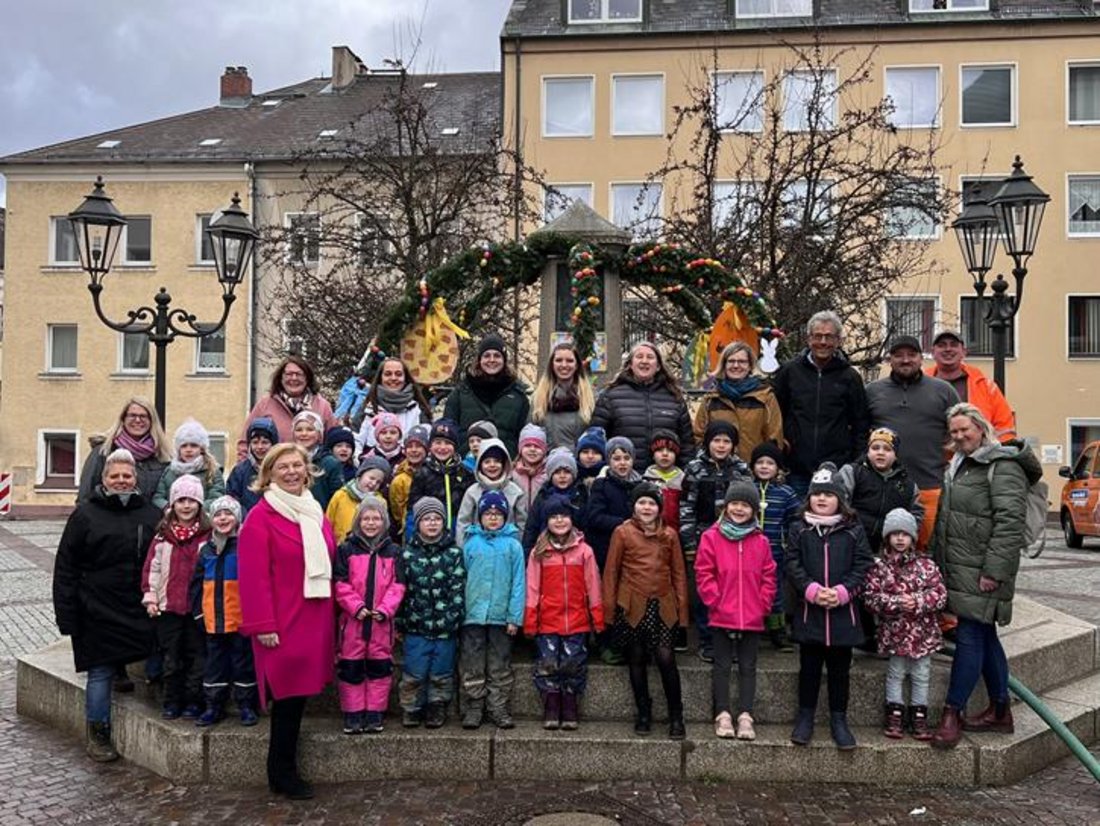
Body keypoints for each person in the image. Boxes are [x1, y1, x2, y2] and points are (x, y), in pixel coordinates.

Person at [930, 403, 1041, 749]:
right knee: (985, 634)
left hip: (984, 572)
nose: (960, 436)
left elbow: (1009, 523)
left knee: (970, 636)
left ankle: (953, 712)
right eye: (955, 431)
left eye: (966, 429)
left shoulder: (1002, 466)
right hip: (963, 567)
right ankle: (1000, 709)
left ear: (981, 428)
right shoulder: (960, 464)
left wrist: (994, 571)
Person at [239, 443, 337, 800]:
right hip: (281, 621)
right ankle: (281, 773)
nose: (292, 472)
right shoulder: (260, 517)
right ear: (269, 474)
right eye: (283, 467)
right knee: (286, 699)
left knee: (298, 699)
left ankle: (283, 769)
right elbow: (252, 577)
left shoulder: (313, 510)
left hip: (312, 616)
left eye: (297, 465)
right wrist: (263, 624)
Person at [53, 448, 162, 762]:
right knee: (100, 674)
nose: (122, 480)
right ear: (104, 479)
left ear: (135, 478)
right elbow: (66, 567)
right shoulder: (85, 515)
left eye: (127, 475)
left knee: (158, 656)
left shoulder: (150, 514)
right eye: (115, 475)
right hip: (96, 609)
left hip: (138, 606)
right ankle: (98, 733)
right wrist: (67, 614)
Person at [786, 462, 873, 750]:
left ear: (840, 499)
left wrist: (843, 591)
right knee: (808, 668)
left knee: (840, 671)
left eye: (828, 495)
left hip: (842, 615)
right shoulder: (800, 529)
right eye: (816, 494)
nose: (822, 499)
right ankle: (805, 716)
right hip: (811, 613)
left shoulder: (852, 530)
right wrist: (810, 589)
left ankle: (839, 719)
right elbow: (793, 564)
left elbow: (863, 565)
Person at [603, 482, 689, 740]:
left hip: (663, 603)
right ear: (634, 506)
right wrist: (609, 611)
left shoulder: (670, 535)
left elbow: (679, 574)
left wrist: (682, 614)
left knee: (665, 658)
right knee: (637, 659)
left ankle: (676, 714)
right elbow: (611, 571)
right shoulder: (622, 532)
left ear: (659, 508)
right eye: (642, 502)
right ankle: (643, 711)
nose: (647, 507)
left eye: (652, 503)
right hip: (632, 603)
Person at [695, 479, 777, 741]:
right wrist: (715, 600)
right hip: (722, 612)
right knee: (721, 665)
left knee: (748, 666)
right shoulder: (711, 537)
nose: (739, 509)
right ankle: (722, 712)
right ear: (726, 506)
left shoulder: (760, 541)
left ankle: (745, 714)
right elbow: (703, 572)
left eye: (745, 505)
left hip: (752, 615)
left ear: (754, 510)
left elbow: (769, 575)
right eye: (735, 504)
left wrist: (763, 604)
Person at [866, 335, 960, 549]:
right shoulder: (872, 392)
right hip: (884, 487)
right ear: (890, 360)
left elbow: (959, 433)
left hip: (930, 485)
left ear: (921, 358)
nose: (905, 360)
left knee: (930, 550)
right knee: (885, 551)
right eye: (899, 355)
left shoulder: (944, 391)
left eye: (911, 355)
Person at [863, 508, 947, 741]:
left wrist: (918, 601)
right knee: (896, 672)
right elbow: (871, 598)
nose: (900, 539)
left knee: (921, 673)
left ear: (913, 537)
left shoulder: (926, 566)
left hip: (922, 633)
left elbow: (939, 594)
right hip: (895, 633)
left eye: (905, 534)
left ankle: (919, 713)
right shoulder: (879, 567)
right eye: (895, 534)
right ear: (887, 537)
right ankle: (895, 712)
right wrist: (898, 603)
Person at [524, 493, 605, 730]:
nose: (559, 521)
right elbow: (532, 586)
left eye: (564, 516)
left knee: (573, 663)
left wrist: (596, 616)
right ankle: (551, 703)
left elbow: (593, 585)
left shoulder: (584, 551)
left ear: (572, 519)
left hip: (577, 619)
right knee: (547, 663)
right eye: (554, 517)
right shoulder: (539, 552)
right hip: (547, 619)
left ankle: (569, 703)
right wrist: (530, 618)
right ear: (546, 521)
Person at [773, 311, 869, 497]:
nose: (823, 342)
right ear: (809, 339)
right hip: (795, 468)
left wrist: (855, 463)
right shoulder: (789, 372)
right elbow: (776, 414)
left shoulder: (849, 376)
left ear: (838, 341)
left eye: (829, 337)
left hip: (836, 470)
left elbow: (860, 423)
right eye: (818, 336)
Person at [333, 496, 405, 735]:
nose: (371, 523)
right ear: (358, 521)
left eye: (376, 518)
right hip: (353, 622)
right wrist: (355, 606)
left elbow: (398, 585)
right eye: (366, 518)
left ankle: (374, 712)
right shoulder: (346, 549)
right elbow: (340, 583)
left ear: (384, 522)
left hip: (381, 623)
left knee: (379, 668)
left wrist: (385, 609)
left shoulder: (393, 551)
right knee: (351, 668)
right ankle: (353, 713)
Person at [679, 421, 750, 662]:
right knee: (705, 591)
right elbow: (686, 505)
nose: (721, 446)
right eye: (716, 440)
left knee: (734, 589)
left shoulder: (741, 469)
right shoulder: (694, 468)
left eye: (726, 441)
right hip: (703, 537)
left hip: (735, 538)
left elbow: (748, 507)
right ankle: (708, 640)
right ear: (708, 442)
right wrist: (689, 541)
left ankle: (732, 639)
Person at [142, 474, 211, 719]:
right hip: (169, 607)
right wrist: (151, 597)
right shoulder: (162, 536)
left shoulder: (207, 536)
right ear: (173, 504)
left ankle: (194, 701)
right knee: (171, 659)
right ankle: (172, 700)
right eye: (180, 500)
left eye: (191, 500)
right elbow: (153, 569)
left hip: (197, 609)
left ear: (200, 505)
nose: (186, 505)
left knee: (197, 658)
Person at [459, 491, 526, 729]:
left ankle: (498, 706)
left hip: (501, 616)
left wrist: (514, 617)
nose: (493, 518)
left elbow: (519, 583)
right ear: (480, 517)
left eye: (498, 514)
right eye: (488, 514)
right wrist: (461, 611)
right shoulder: (470, 542)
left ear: (506, 517)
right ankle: (474, 706)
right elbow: (462, 578)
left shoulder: (513, 545)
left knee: (500, 664)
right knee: (472, 662)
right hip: (473, 615)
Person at [398, 497, 466, 730]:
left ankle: (437, 707)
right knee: (414, 670)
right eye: (426, 519)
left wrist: (453, 616)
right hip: (415, 624)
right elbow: (401, 590)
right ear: (417, 523)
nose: (432, 524)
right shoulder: (407, 554)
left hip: (445, 626)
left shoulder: (454, 553)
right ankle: (411, 707)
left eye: (437, 519)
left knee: (441, 670)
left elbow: (458, 586)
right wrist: (400, 620)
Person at [190, 496, 259, 727]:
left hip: (239, 618)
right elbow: (196, 585)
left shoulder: (244, 546)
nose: (223, 518)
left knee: (243, 663)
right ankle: (213, 706)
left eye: (228, 514)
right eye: (218, 514)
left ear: (238, 518)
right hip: (212, 619)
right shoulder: (206, 550)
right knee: (214, 665)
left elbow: (253, 582)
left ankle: (246, 705)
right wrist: (198, 613)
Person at [590, 342, 695, 472]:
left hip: (665, 480)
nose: (644, 361)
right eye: (639, 356)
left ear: (658, 366)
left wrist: (686, 476)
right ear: (630, 365)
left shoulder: (674, 398)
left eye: (650, 357)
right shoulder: (610, 396)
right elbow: (596, 439)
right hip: (623, 477)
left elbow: (687, 445)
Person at [693, 341, 784, 464]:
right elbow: (699, 435)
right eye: (731, 361)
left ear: (750, 365)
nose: (736, 365)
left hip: (754, 472)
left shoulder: (765, 397)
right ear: (724, 365)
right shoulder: (712, 398)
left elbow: (774, 437)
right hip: (717, 473)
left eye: (742, 362)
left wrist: (766, 466)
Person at [837, 427, 923, 555]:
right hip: (851, 544)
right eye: (875, 448)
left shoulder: (908, 486)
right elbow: (839, 504)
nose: (880, 452)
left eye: (887, 449)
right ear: (868, 451)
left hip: (887, 551)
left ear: (895, 455)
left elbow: (916, 514)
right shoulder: (852, 472)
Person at [443, 333, 531, 456]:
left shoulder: (518, 397)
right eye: (486, 355)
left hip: (503, 465)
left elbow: (523, 435)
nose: (492, 360)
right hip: (466, 465)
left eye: (497, 356)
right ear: (479, 360)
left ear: (504, 360)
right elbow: (449, 431)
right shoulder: (461, 393)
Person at [749, 443, 800, 652]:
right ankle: (751, 626)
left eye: (769, 463)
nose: (764, 467)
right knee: (750, 589)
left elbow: (794, 521)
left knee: (775, 591)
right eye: (759, 462)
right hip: (748, 553)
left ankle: (777, 630)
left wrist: (788, 544)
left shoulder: (786, 493)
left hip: (775, 552)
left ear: (778, 468)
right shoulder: (747, 489)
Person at [237, 356, 337, 461]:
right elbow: (245, 442)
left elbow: (334, 442)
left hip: (314, 472)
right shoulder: (265, 404)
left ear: (307, 378)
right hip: (271, 472)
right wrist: (244, 470)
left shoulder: (322, 406)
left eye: (299, 374)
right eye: (288, 374)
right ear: (281, 378)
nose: (293, 378)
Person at [925, 329, 1016, 442]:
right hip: (931, 457)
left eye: (953, 345)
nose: (948, 349)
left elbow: (1005, 427)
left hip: (977, 457)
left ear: (964, 352)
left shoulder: (986, 387)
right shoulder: (919, 385)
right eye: (942, 345)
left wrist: (994, 452)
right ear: (933, 352)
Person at [77, 396, 170, 505]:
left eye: (143, 416)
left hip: (151, 520)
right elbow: (85, 495)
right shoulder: (103, 452)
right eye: (132, 415)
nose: (138, 420)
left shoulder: (161, 456)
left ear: (152, 421)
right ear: (123, 419)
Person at [407, 419, 475, 539]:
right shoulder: (422, 473)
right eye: (438, 442)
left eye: (448, 443)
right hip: (429, 534)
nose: (442, 447)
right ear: (430, 446)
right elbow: (413, 510)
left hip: (458, 532)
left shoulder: (465, 473)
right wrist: (412, 537)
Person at [583, 436, 642, 571]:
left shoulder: (640, 485)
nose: (622, 463)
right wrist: (623, 523)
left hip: (633, 549)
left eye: (626, 458)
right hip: (606, 549)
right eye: (616, 459)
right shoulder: (601, 485)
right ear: (608, 461)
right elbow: (594, 517)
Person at [456, 437, 528, 547]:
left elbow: (522, 524)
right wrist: (463, 549)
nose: (492, 465)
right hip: (478, 549)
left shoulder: (515, 492)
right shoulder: (472, 492)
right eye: (487, 461)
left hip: (507, 549)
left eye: (497, 461)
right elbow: (463, 523)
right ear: (480, 464)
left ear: (504, 464)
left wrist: (519, 549)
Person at [353, 357, 432, 455]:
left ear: (405, 378)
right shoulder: (367, 410)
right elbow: (355, 442)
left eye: (398, 374)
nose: (393, 378)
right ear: (380, 378)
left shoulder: (418, 410)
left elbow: (427, 444)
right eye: (388, 374)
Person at [530, 342, 595, 451]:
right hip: (547, 463)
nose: (564, 365)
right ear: (552, 364)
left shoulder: (591, 398)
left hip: (579, 464)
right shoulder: (538, 398)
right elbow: (531, 436)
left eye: (569, 361)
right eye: (559, 360)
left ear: (577, 365)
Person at [523, 447, 589, 553]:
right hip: (545, 551)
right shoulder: (543, 496)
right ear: (550, 475)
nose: (562, 476)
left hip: (576, 553)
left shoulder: (581, 495)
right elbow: (532, 528)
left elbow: (587, 527)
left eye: (567, 472)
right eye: (557, 472)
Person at [152, 419, 226, 510]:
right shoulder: (170, 471)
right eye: (184, 446)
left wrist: (196, 510)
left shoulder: (212, 470)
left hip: (203, 519)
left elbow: (216, 497)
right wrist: (169, 508)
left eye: (193, 445)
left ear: (202, 448)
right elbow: (158, 497)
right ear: (178, 449)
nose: (188, 450)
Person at [325, 456, 391, 544]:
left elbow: (383, 529)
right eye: (371, 478)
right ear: (361, 474)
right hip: (340, 547)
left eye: (378, 482)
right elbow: (328, 522)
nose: (373, 483)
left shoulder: (380, 502)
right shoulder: (341, 495)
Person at [290, 410, 345, 510]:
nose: (304, 434)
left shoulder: (330, 463)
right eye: (299, 430)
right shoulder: (286, 460)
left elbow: (337, 500)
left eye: (310, 429)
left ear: (319, 434)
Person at [226, 417, 278, 517]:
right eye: (255, 442)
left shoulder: (280, 469)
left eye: (265, 442)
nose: (259, 447)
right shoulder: (240, 471)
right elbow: (232, 500)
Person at [390, 424, 430, 541]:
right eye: (410, 446)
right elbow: (397, 510)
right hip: (409, 529)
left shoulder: (433, 473)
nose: (414, 450)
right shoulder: (400, 480)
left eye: (418, 446)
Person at [643, 429, 685, 534]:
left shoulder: (684, 481)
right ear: (652, 454)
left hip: (675, 535)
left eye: (670, 451)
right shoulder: (645, 480)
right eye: (660, 450)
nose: (665, 454)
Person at [512, 423, 549, 505]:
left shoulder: (549, 474)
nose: (532, 449)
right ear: (520, 449)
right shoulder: (512, 474)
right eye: (527, 445)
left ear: (544, 450)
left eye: (537, 446)